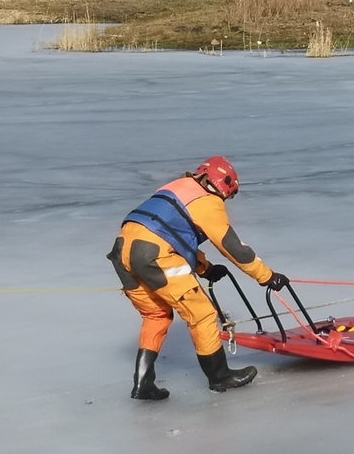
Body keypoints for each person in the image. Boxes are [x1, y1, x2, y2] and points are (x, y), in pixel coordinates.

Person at [107, 156, 289, 400]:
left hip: (123, 253)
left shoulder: (176, 188)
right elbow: (233, 247)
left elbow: (173, 236)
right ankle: (220, 377)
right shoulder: (207, 201)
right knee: (202, 314)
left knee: (156, 315)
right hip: (153, 256)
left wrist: (206, 269)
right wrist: (267, 277)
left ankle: (143, 383)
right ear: (224, 186)